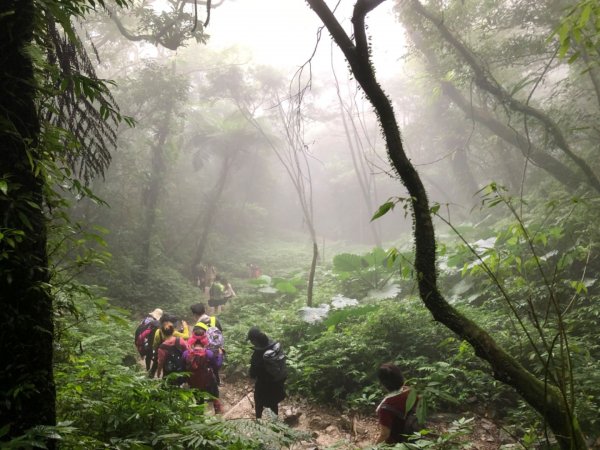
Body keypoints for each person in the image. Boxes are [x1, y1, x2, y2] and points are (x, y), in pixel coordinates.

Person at [247, 326, 287, 419]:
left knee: (258, 402)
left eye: (251, 340)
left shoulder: (258, 354)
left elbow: (252, 374)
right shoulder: (274, 346)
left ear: (255, 340)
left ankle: (259, 423)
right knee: (274, 405)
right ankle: (276, 427)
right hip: (277, 383)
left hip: (263, 384)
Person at [375, 363, 419, 445]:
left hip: (397, 444)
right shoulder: (411, 391)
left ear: (383, 383)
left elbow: (385, 435)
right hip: (415, 437)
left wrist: (374, 447)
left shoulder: (386, 408)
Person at [183, 333, 223, 414]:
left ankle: (200, 418)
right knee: (215, 396)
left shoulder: (186, 354)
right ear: (204, 342)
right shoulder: (208, 353)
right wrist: (220, 355)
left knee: (198, 402)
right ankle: (218, 415)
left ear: (193, 342)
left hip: (193, 382)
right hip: (208, 381)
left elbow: (183, 368)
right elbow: (217, 366)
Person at [149, 313, 189, 378]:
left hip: (161, 352)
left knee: (160, 367)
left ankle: (150, 378)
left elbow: (155, 344)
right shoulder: (173, 332)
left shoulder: (158, 331)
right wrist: (185, 327)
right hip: (174, 355)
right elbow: (186, 336)